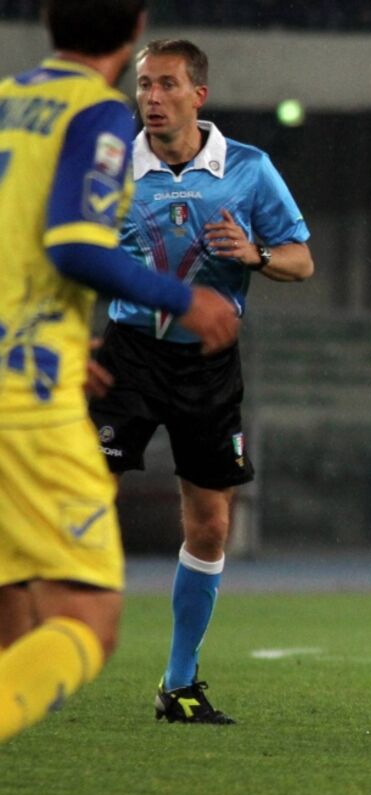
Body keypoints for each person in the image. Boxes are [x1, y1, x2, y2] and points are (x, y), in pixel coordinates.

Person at [0, 0, 239, 743]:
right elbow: (75, 244)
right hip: (25, 396)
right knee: (89, 618)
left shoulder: (7, 102)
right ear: (133, 30)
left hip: (35, 360)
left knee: (11, 598)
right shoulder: (96, 115)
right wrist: (184, 299)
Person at [86, 38, 314, 724]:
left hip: (208, 363)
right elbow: (69, 256)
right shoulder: (110, 167)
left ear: (198, 95)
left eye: (166, 85)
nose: (151, 98)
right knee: (75, 499)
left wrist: (256, 254)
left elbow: (301, 260)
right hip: (128, 354)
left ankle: (179, 684)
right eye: (143, 85)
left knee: (210, 524)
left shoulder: (248, 168)